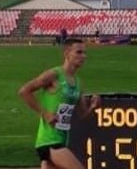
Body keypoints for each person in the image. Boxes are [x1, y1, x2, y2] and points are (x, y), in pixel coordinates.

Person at [18, 38, 101, 169]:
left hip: (62, 139)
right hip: (49, 140)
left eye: (84, 53)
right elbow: (24, 91)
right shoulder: (54, 75)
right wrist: (45, 114)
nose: (83, 56)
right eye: (79, 52)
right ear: (67, 54)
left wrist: (92, 107)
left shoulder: (78, 83)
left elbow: (82, 116)